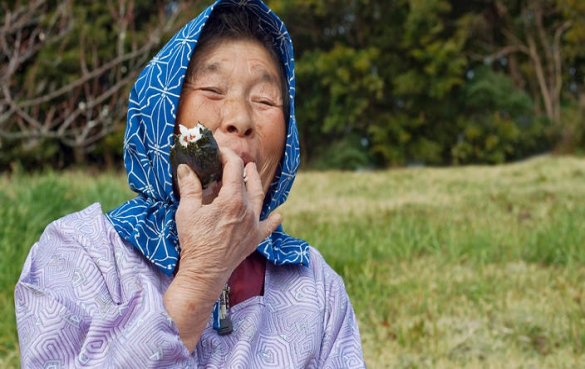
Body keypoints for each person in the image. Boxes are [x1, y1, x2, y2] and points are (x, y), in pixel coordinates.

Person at [15, 0, 366, 367]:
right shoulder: (80, 253)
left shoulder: (315, 285)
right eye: (213, 90)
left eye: (265, 100)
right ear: (163, 114)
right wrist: (201, 275)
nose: (240, 118)